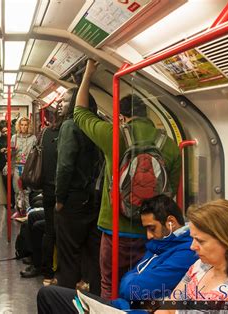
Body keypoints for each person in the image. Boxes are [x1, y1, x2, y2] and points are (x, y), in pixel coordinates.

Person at [74, 59, 181, 298]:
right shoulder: (172, 146)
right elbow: (171, 192)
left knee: (110, 283)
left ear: (122, 117)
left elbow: (79, 112)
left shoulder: (114, 136)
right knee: (144, 287)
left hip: (116, 228)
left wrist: (89, 73)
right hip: (152, 231)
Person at [36, 195, 197, 313]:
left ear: (171, 223)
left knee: (49, 295)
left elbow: (134, 289)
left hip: (129, 310)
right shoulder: (160, 243)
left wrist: (131, 283)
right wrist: (131, 283)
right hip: (122, 305)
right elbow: (130, 281)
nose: (148, 235)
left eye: (152, 228)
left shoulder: (185, 251)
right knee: (49, 295)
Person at [156, 199, 228, 314]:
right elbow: (169, 308)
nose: (192, 247)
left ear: (226, 240)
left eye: (200, 241)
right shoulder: (200, 266)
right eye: (193, 238)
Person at [54, 88, 102, 293]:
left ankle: (65, 300)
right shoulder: (98, 126)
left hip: (73, 199)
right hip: (95, 199)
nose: (61, 104)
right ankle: (95, 299)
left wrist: (60, 198)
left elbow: (65, 166)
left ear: (74, 103)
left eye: (65, 101)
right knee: (93, 254)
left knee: (69, 254)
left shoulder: (70, 126)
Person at [20, 101, 63, 284]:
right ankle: (43, 266)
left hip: (48, 188)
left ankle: (44, 269)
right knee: (44, 226)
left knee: (46, 229)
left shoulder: (44, 133)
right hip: (59, 191)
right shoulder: (67, 134)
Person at [11, 117, 36, 216]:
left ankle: (27, 211)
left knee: (27, 190)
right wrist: (13, 151)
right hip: (17, 166)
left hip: (28, 166)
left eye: (26, 125)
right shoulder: (14, 137)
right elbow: (10, 154)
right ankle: (18, 210)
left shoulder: (33, 138)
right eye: (22, 125)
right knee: (17, 190)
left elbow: (35, 153)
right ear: (19, 126)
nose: (24, 127)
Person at [0, 120, 15, 207]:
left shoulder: (14, 137)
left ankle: (15, 203)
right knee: (7, 185)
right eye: (3, 132)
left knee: (15, 185)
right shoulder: (0, 139)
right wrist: (1, 150)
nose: (5, 133)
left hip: (14, 163)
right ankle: (10, 202)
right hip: (4, 164)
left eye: (6, 131)